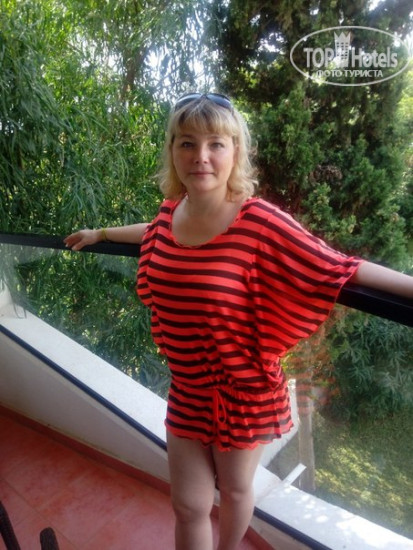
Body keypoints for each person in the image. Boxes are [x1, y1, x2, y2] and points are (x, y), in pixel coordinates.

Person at [64, 92, 413, 550]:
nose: (201, 156)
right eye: (187, 143)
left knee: (233, 490)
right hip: (188, 388)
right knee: (188, 504)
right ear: (172, 151)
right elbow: (152, 233)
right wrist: (102, 233)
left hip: (244, 392)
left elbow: (339, 267)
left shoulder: (260, 222)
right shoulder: (170, 213)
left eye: (216, 143)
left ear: (235, 152)